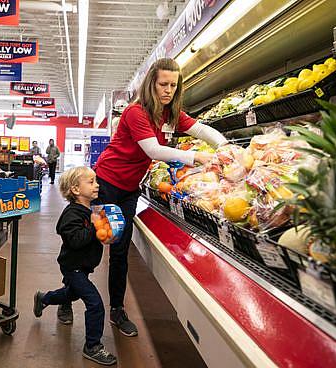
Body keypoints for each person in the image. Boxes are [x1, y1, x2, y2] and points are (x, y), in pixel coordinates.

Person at [58, 58, 228, 337]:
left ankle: (116, 309)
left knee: (120, 250)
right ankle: (66, 298)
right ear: (151, 83)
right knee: (91, 247)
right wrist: (195, 156)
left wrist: (225, 148)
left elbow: (200, 130)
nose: (168, 90)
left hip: (128, 191)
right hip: (108, 184)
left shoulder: (169, 114)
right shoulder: (136, 113)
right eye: (163, 84)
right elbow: (153, 150)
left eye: (173, 85)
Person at [33, 166, 117, 366]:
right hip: (73, 267)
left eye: (96, 180)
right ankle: (93, 346)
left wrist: (106, 229)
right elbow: (76, 241)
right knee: (95, 304)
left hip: (84, 266)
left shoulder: (89, 210)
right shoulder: (71, 215)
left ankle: (44, 298)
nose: (96, 185)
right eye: (91, 182)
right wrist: (96, 227)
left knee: (71, 294)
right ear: (76, 190)